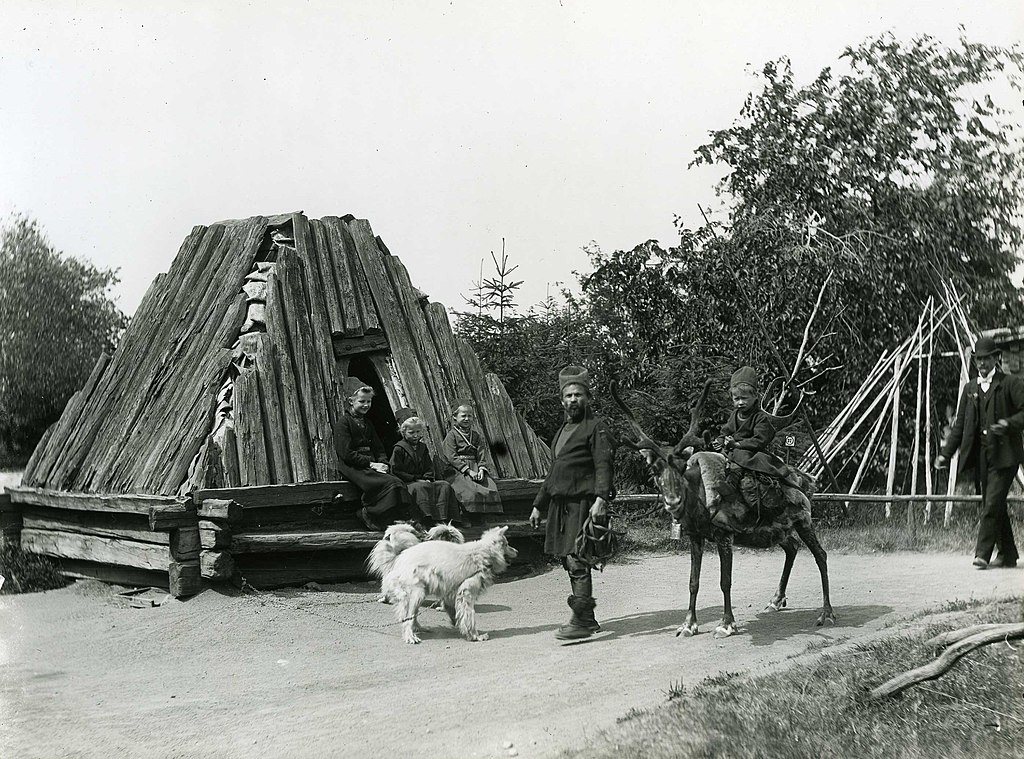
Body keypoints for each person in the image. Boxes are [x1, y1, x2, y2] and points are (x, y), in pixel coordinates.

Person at [529, 365, 615, 641]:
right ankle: (588, 617)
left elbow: (604, 465)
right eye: (569, 395)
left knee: (578, 559)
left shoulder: (595, 428)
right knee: (569, 560)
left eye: (579, 394)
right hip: (560, 507)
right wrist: (538, 505)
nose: (574, 400)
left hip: (583, 503)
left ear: (588, 397)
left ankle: (581, 621)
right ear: (561, 400)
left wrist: (601, 498)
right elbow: (554, 473)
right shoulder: (562, 431)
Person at [935, 336, 1021, 569]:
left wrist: (1008, 424)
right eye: (978, 360)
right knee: (995, 504)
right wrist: (946, 453)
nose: (982, 364)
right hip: (982, 457)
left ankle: (982, 553)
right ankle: (1008, 554)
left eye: (986, 359)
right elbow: (960, 425)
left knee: (991, 503)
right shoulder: (970, 388)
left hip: (1007, 456)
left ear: (996, 358)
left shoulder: (1010, 384)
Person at [709, 366, 804, 531]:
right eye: (736, 399)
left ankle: (731, 485)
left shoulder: (760, 417)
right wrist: (720, 440)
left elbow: (760, 440)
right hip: (733, 449)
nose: (740, 403)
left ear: (755, 397)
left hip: (752, 452)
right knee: (718, 456)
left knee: (740, 455)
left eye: (744, 398)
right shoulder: (734, 415)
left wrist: (737, 444)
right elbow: (726, 431)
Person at [332, 377, 409, 531]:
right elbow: (346, 453)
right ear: (351, 401)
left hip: (370, 464)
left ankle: (391, 520)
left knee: (399, 482)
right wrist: (371, 464)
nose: (366, 405)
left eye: (369, 401)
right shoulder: (343, 423)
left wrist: (383, 463)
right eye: (362, 401)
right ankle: (367, 513)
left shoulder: (368, 423)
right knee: (390, 484)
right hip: (352, 466)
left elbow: (379, 448)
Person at [389, 408, 461, 524]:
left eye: (418, 432)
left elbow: (429, 466)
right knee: (420, 488)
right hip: (408, 482)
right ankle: (427, 519)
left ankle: (446, 518)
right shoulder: (399, 448)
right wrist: (414, 478)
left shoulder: (422, 447)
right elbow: (395, 470)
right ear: (403, 432)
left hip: (423, 479)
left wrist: (427, 477)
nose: (415, 435)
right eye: (411, 433)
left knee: (444, 485)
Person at [441, 402, 502, 522]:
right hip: (458, 470)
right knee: (470, 491)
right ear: (455, 417)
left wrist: (481, 469)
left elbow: (481, 454)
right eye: (463, 416)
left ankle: (480, 515)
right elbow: (451, 456)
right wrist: (468, 471)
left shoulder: (475, 435)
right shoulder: (451, 436)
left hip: (475, 467)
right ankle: (467, 516)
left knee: (489, 487)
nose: (466, 419)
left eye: (469, 416)